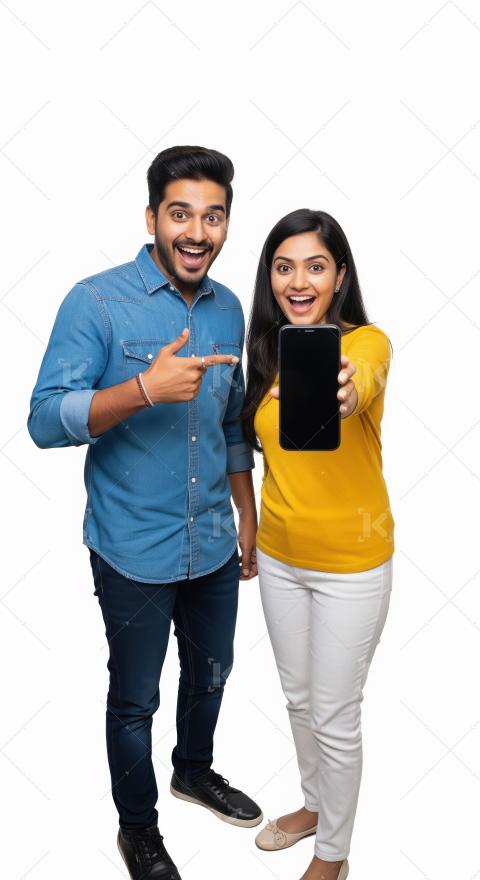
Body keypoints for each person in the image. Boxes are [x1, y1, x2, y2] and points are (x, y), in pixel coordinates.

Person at [27, 145, 262, 880]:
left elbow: (231, 425)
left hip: (214, 541)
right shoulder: (95, 302)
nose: (198, 231)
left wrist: (246, 516)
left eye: (213, 215)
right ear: (153, 218)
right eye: (182, 213)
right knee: (135, 698)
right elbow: (42, 420)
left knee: (213, 672)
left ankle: (195, 769)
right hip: (131, 545)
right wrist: (142, 390)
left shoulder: (227, 307)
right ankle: (140, 828)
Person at [241, 209, 395, 880]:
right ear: (269, 277)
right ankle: (311, 804)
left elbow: (361, 381)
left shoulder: (367, 343)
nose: (298, 280)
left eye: (314, 265)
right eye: (284, 266)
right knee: (298, 696)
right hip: (279, 555)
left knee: (334, 712)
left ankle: (332, 855)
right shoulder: (268, 353)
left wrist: (345, 390)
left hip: (350, 565)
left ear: (339, 276)